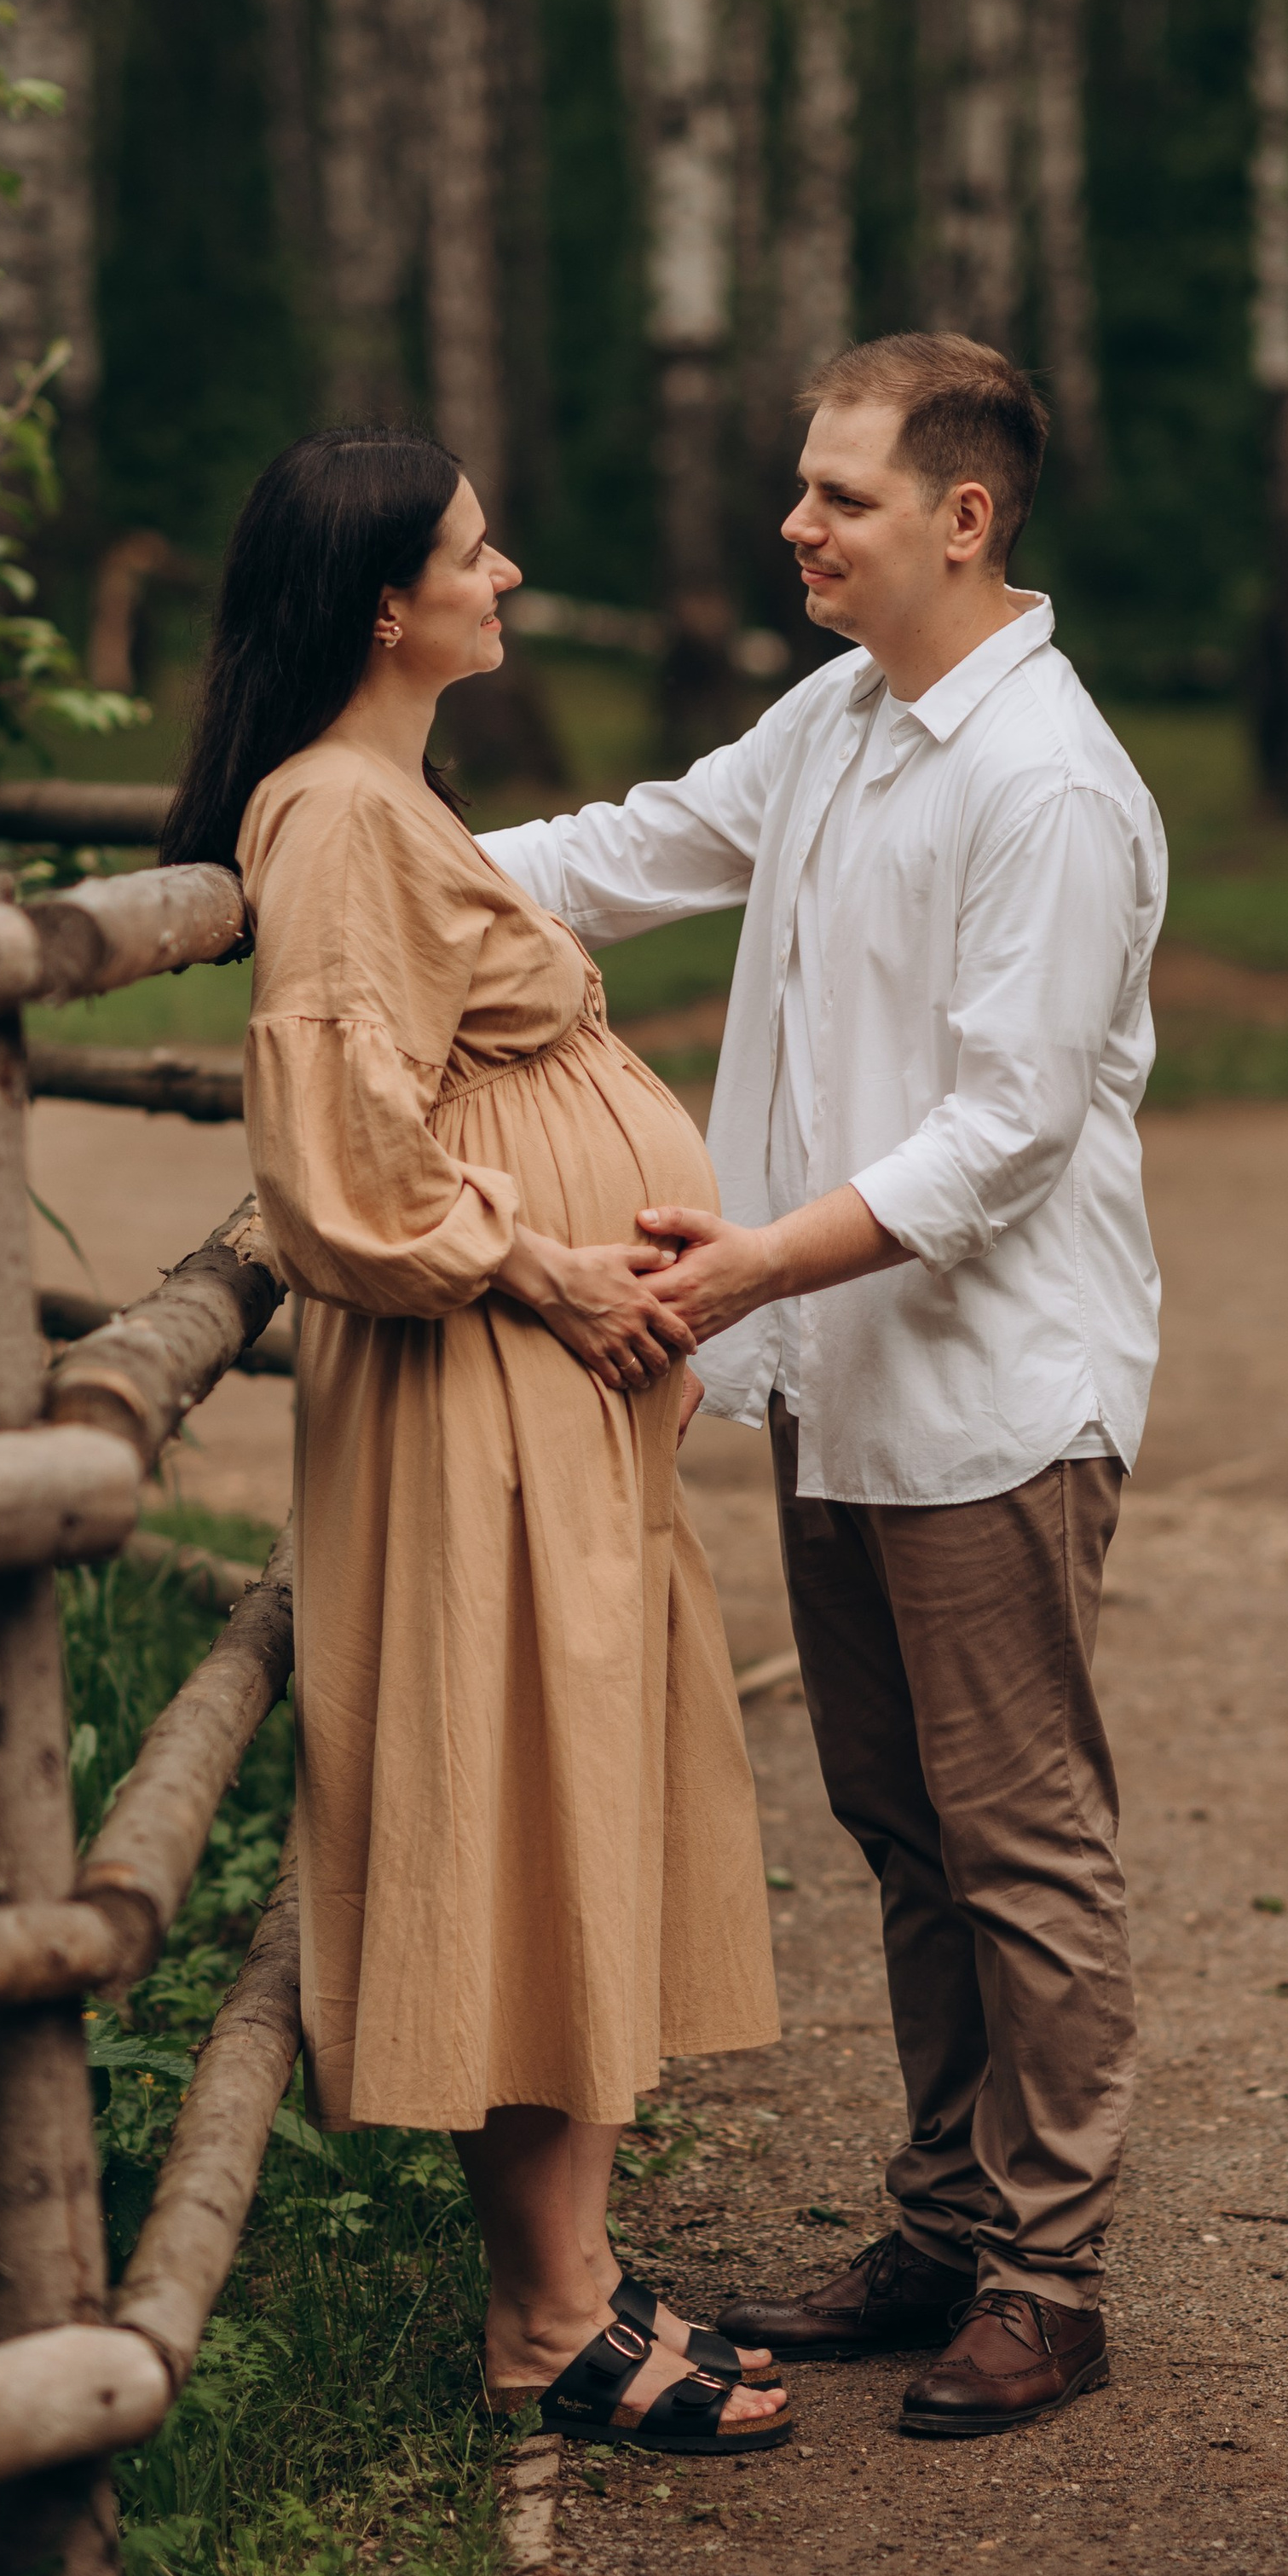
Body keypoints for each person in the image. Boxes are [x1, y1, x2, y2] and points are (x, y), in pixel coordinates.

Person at [480, 333, 1165, 2438]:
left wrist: (757, 1255)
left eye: (837, 494)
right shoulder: (846, 717)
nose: (794, 521)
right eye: (800, 486)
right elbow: (638, 844)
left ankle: (1048, 2278)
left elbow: (1004, 1134)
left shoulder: (1046, 783)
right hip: (838, 1386)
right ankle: (946, 2222)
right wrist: (342, 855)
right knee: (895, 1820)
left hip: (982, 1395)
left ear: (961, 517)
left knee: (1017, 1838)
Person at [158, 426, 788, 2460]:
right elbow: (345, 1155)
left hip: (538, 1377)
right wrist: (553, 1273)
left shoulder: (384, 794)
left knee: (574, 1785)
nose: (504, 570)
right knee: (531, 1792)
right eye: (469, 547)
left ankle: (577, 2280)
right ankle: (544, 2321)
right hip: (485, 1379)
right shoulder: (336, 813)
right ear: (379, 598)